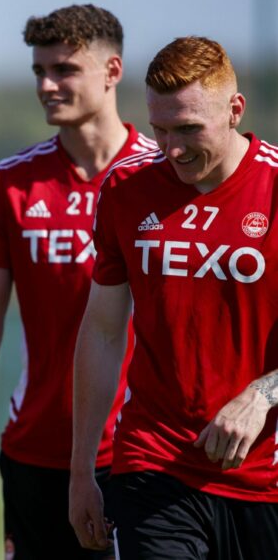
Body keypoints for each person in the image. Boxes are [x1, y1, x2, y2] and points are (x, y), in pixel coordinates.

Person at [0, 5, 152, 559]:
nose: (47, 85)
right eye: (38, 71)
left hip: (140, 449)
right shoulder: (10, 185)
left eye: (64, 70)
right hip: (35, 448)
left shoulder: (160, 178)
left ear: (113, 71)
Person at [70, 36, 278, 558]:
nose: (172, 149)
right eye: (159, 130)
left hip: (266, 477)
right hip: (152, 463)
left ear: (235, 111)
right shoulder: (126, 188)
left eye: (188, 129)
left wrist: (263, 395)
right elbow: (102, 330)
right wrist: (81, 472)